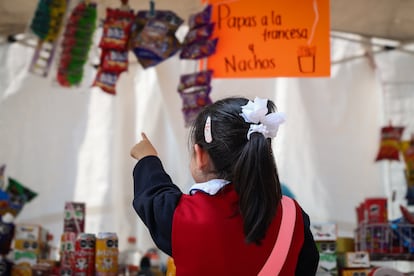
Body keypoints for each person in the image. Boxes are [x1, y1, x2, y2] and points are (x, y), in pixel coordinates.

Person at [130, 96, 320, 275]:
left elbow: (153, 195)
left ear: (200, 156)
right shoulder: (292, 215)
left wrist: (148, 159)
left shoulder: (182, 216)